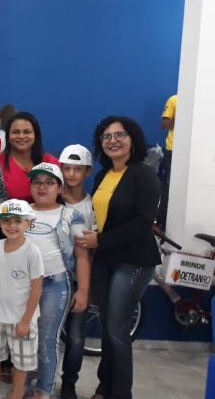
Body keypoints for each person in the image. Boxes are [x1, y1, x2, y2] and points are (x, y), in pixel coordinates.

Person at [75, 116, 161, 399]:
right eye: (106, 136)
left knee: (117, 329)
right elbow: (102, 218)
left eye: (119, 134)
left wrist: (100, 239)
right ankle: (105, 386)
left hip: (134, 260)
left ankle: (121, 393)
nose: (113, 141)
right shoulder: (103, 175)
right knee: (107, 328)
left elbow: (143, 222)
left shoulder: (143, 175)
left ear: (132, 138)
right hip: (105, 259)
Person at [25, 163, 90, 399]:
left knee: (47, 338)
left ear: (60, 188)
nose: (42, 187)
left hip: (55, 285)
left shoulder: (71, 216)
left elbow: (82, 256)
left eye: (49, 183)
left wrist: (83, 290)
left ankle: (44, 388)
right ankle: (25, 383)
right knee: (24, 336)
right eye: (37, 182)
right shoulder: (21, 212)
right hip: (23, 285)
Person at [0, 199, 43, 399]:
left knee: (20, 365)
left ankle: (16, 395)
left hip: (21, 319)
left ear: (28, 223)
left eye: (18, 221)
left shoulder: (32, 252)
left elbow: (37, 289)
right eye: (6, 220)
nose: (11, 225)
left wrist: (25, 320)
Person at [57, 144, 97, 399]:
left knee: (76, 336)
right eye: (67, 168)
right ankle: (39, 380)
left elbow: (90, 251)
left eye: (77, 169)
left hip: (77, 278)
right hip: (50, 279)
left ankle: (69, 382)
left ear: (87, 172)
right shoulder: (50, 197)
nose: (71, 174)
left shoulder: (92, 206)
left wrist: (85, 288)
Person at [0, 112, 58, 202]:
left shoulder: (51, 162)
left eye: (27, 132)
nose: (21, 136)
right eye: (15, 132)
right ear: (8, 136)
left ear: (36, 135)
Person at [157, 94, 176, 230]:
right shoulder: (174, 100)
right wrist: (186, 113)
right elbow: (165, 124)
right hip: (173, 150)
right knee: (169, 187)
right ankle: (162, 223)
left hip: (197, 150)